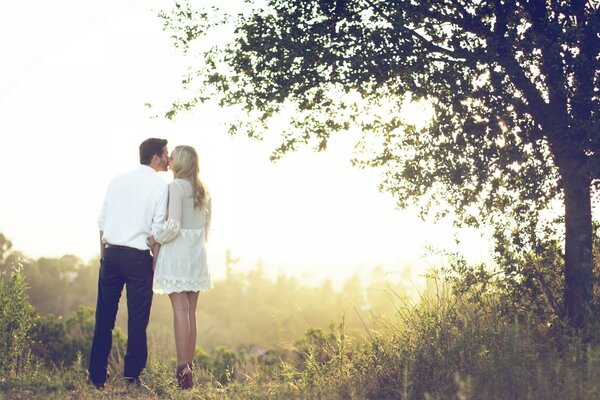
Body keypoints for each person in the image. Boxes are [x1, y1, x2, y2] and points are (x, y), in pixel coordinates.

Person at [88, 138, 169, 389]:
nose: (169, 159)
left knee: (104, 318)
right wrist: (154, 264)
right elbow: (157, 228)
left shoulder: (117, 181)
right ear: (155, 158)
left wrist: (103, 255)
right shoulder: (160, 186)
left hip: (111, 255)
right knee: (137, 321)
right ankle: (132, 378)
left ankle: (97, 378)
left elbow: (102, 222)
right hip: (138, 258)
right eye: (166, 154)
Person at [150, 145, 212, 390]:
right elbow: (207, 228)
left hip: (177, 253)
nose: (170, 158)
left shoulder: (175, 187)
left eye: (173, 155)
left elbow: (173, 225)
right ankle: (189, 368)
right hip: (197, 253)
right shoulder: (204, 190)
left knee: (179, 310)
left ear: (182, 162)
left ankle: (181, 367)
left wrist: (154, 238)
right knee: (191, 312)